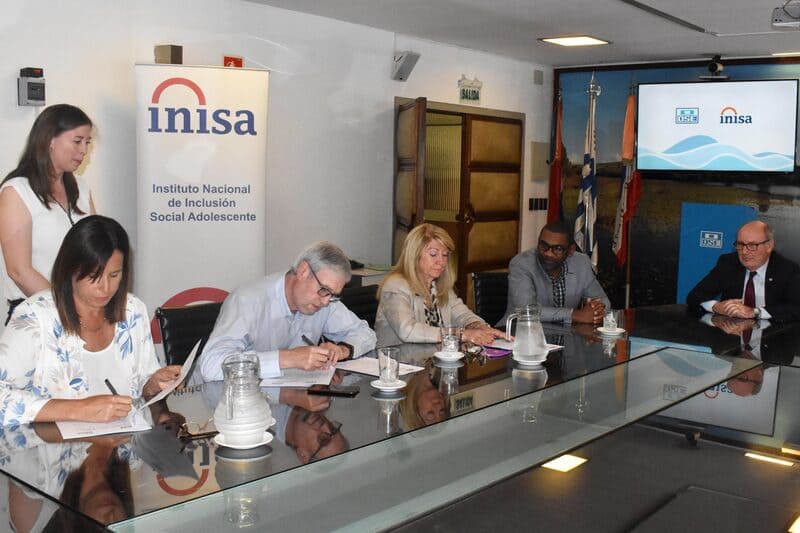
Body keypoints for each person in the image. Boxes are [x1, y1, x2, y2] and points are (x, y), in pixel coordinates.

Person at [0, 215, 181, 425]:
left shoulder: (132, 310)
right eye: (94, 276)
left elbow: (140, 384)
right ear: (69, 270)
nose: (105, 288)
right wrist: (79, 409)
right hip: (50, 453)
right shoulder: (35, 317)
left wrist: (152, 384)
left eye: (114, 275)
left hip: (123, 450)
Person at [198, 241, 377, 381]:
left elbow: (366, 334)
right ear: (303, 271)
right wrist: (289, 358)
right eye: (323, 290)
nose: (325, 301)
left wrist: (342, 350)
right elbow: (211, 366)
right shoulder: (248, 300)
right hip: (230, 408)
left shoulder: (326, 300)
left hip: (288, 401)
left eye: (332, 295)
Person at [0, 104, 97, 325]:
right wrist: (68, 309)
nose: (84, 150)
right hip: (36, 316)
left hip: (80, 313)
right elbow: (18, 271)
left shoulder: (82, 188)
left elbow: (94, 251)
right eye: (77, 141)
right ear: (50, 140)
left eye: (87, 142)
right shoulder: (16, 191)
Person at [374, 223, 505, 347]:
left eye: (445, 255)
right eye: (433, 254)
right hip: (398, 364)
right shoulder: (396, 286)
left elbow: (462, 315)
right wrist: (460, 334)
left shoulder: (439, 285)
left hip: (433, 361)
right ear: (414, 255)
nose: (441, 261)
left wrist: (480, 327)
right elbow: (408, 330)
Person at [686, 220, 800, 323]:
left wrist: (755, 312)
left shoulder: (787, 270)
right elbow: (695, 295)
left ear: (769, 246)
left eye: (752, 245)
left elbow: (796, 308)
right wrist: (717, 307)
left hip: (773, 338)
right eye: (740, 244)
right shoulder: (728, 263)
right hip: (731, 338)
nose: (744, 252)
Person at [499, 221, 610, 326]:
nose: (548, 253)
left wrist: (596, 312)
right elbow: (526, 310)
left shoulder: (581, 263)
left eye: (557, 249)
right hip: (518, 335)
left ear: (571, 250)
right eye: (544, 246)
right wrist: (574, 315)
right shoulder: (521, 264)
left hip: (564, 337)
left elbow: (603, 301)